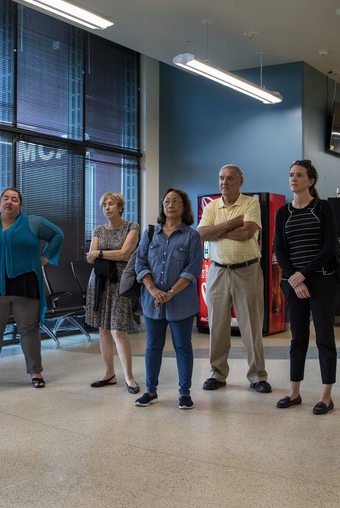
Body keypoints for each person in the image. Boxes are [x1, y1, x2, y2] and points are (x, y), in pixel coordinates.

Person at [0, 187, 64, 388]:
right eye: (5, 198)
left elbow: (57, 235)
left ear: (20, 204)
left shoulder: (32, 222)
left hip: (25, 284)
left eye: (14, 199)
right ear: (0, 202)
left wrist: (45, 257)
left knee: (29, 330)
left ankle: (35, 373)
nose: (9, 202)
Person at [272, 160, 339, 415]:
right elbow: (280, 248)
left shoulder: (323, 208)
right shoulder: (282, 213)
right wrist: (293, 279)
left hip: (321, 279)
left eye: (299, 175)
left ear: (311, 181)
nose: (293, 179)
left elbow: (328, 246)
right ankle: (294, 391)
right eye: (291, 174)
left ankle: (326, 395)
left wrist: (303, 275)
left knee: (324, 337)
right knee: (297, 338)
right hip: (293, 284)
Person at [198, 165, 271, 393]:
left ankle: (258, 376)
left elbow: (247, 232)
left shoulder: (251, 204)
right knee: (217, 326)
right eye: (221, 178)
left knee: (251, 327)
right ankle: (217, 374)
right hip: (218, 271)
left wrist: (217, 232)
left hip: (246, 270)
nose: (224, 182)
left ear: (240, 181)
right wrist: (230, 224)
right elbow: (200, 234)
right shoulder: (211, 206)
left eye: (230, 178)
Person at [132, 188, 204, 410]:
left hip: (180, 302)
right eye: (167, 201)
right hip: (152, 300)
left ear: (184, 206)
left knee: (183, 346)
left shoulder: (192, 236)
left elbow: (192, 270)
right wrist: (153, 290)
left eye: (176, 201)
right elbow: (140, 264)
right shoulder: (150, 233)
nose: (170, 204)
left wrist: (170, 293)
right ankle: (150, 391)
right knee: (153, 346)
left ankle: (184, 393)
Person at [85, 192, 141, 393]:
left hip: (121, 282)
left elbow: (125, 253)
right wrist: (102, 255)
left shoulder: (132, 227)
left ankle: (129, 377)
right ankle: (109, 374)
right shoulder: (98, 229)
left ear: (120, 207)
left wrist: (100, 253)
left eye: (111, 204)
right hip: (99, 282)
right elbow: (90, 258)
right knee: (103, 329)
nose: (107, 208)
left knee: (118, 330)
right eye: (104, 205)